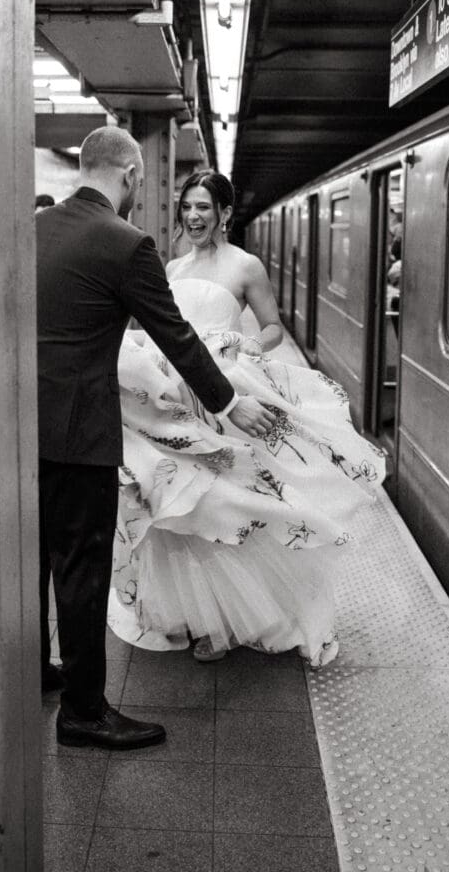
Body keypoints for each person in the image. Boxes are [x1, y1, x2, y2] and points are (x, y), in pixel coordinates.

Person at [36, 130, 276, 750]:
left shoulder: (33, 227)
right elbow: (177, 337)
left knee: (30, 559)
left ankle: (38, 669)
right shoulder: (127, 242)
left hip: (22, 426)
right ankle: (83, 711)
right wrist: (229, 401)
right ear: (133, 175)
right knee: (81, 568)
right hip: (80, 432)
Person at [108, 169, 386, 664]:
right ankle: (194, 614)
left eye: (204, 208)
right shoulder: (169, 269)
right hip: (176, 398)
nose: (193, 216)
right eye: (187, 207)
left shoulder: (246, 266)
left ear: (224, 215)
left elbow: (275, 327)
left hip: (225, 393)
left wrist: (243, 347)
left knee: (229, 501)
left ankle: (231, 622)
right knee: (181, 504)